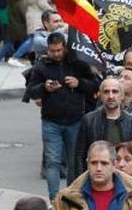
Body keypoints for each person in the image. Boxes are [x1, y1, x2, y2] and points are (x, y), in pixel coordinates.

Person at [27, 32, 100, 198]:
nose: (56, 54)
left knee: (75, 161)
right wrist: (44, 88)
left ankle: (72, 196)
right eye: (52, 51)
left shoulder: (77, 63)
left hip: (75, 121)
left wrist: (78, 82)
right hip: (51, 121)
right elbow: (31, 91)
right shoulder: (42, 65)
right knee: (52, 162)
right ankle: (54, 199)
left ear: (65, 47)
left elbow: (95, 85)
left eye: (59, 50)